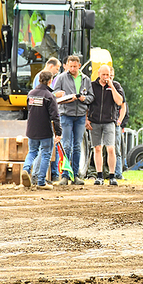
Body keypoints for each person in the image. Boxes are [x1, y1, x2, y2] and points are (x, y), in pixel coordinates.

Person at [53, 55, 94, 186]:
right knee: (66, 145)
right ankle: (65, 175)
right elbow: (54, 94)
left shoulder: (86, 79)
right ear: (67, 66)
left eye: (75, 66)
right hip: (66, 114)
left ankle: (75, 175)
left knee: (77, 146)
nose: (72, 68)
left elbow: (91, 97)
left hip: (80, 115)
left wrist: (84, 99)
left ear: (79, 66)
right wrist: (65, 97)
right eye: (70, 66)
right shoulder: (60, 78)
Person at [21, 71, 62, 191]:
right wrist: (58, 132)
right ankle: (41, 182)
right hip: (45, 131)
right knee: (45, 154)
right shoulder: (49, 96)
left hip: (32, 129)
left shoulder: (31, 94)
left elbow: (30, 109)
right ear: (50, 81)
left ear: (39, 79)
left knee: (32, 151)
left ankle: (26, 169)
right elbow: (55, 116)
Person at [88, 64, 124, 185]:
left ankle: (112, 175)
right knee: (97, 148)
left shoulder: (116, 86)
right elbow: (87, 103)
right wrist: (87, 119)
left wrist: (112, 87)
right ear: (99, 74)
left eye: (107, 75)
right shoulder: (92, 86)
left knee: (111, 148)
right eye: (103, 74)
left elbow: (120, 101)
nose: (105, 77)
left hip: (109, 121)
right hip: (95, 120)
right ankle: (99, 175)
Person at [31, 57, 62, 183]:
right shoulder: (41, 78)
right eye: (57, 68)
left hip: (39, 119)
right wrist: (55, 96)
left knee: (42, 150)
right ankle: (38, 177)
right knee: (44, 150)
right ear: (50, 65)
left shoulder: (41, 79)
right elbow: (42, 97)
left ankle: (40, 175)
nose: (58, 71)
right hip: (44, 119)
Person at [109, 67, 127, 180]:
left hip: (115, 122)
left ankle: (118, 173)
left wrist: (120, 121)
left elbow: (123, 105)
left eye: (111, 75)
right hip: (102, 121)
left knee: (116, 149)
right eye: (107, 75)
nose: (108, 78)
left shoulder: (117, 86)